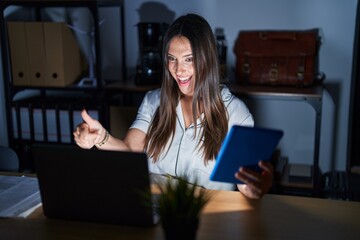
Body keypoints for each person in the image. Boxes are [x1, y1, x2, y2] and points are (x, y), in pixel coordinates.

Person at [74, 13, 273, 199]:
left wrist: (259, 185)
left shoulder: (236, 113)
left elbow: (245, 184)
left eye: (189, 59)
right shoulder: (154, 101)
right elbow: (129, 150)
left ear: (207, 60)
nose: (179, 70)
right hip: (151, 206)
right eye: (172, 59)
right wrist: (101, 138)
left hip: (207, 215)